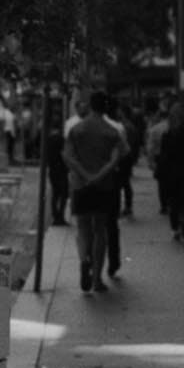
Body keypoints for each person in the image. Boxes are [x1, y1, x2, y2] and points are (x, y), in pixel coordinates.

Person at [64, 91, 127, 290]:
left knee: (83, 228)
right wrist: (99, 175)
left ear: (90, 106)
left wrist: (84, 175)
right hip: (104, 186)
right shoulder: (112, 131)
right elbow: (118, 157)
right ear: (106, 107)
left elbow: (68, 157)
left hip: (81, 186)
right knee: (100, 230)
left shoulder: (77, 129)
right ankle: (97, 279)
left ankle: (84, 260)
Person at [157, 103, 184, 242]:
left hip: (170, 172)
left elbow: (163, 156)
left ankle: (175, 227)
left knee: (173, 200)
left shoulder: (167, 136)